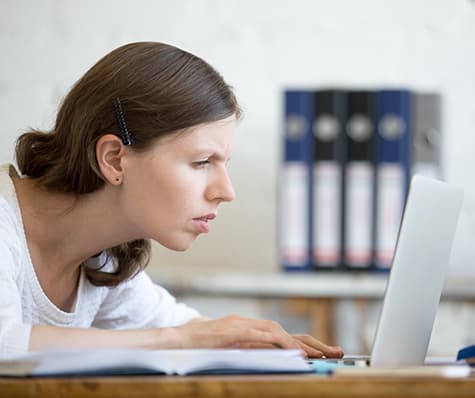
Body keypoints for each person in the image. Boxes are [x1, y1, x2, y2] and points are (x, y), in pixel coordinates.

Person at [0, 41, 343, 358]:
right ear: (114, 159)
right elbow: (5, 343)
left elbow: (183, 327)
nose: (226, 191)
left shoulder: (102, 261)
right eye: (202, 162)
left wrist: (254, 341)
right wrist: (181, 338)